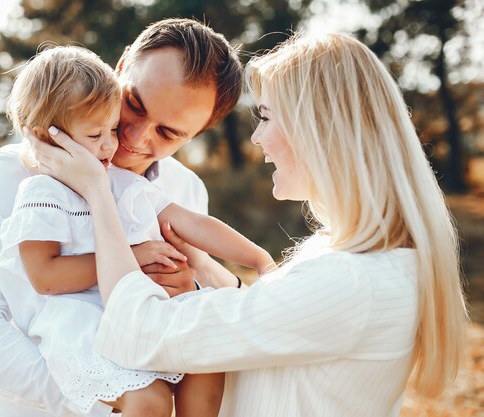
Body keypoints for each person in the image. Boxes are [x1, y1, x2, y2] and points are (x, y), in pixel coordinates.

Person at [30, 32, 468, 417]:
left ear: (318, 130)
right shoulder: (348, 256)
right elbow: (262, 321)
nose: (257, 137)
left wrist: (97, 192)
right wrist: (198, 269)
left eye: (266, 116)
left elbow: (137, 332)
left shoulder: (351, 280)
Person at [0, 18, 243, 417]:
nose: (133, 138)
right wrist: (111, 399)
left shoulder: (185, 191)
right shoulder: (16, 173)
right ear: (118, 70)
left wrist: (188, 288)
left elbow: (208, 317)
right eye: (133, 104)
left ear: (196, 134)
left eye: (167, 133)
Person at [0, 44, 273, 417]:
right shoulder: (37, 190)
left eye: (168, 131)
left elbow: (192, 224)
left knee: (207, 356)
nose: (119, 142)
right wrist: (136, 256)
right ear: (49, 136)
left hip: (141, 309)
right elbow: (44, 278)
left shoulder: (123, 181)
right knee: (149, 402)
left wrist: (258, 260)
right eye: (97, 134)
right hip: (83, 320)